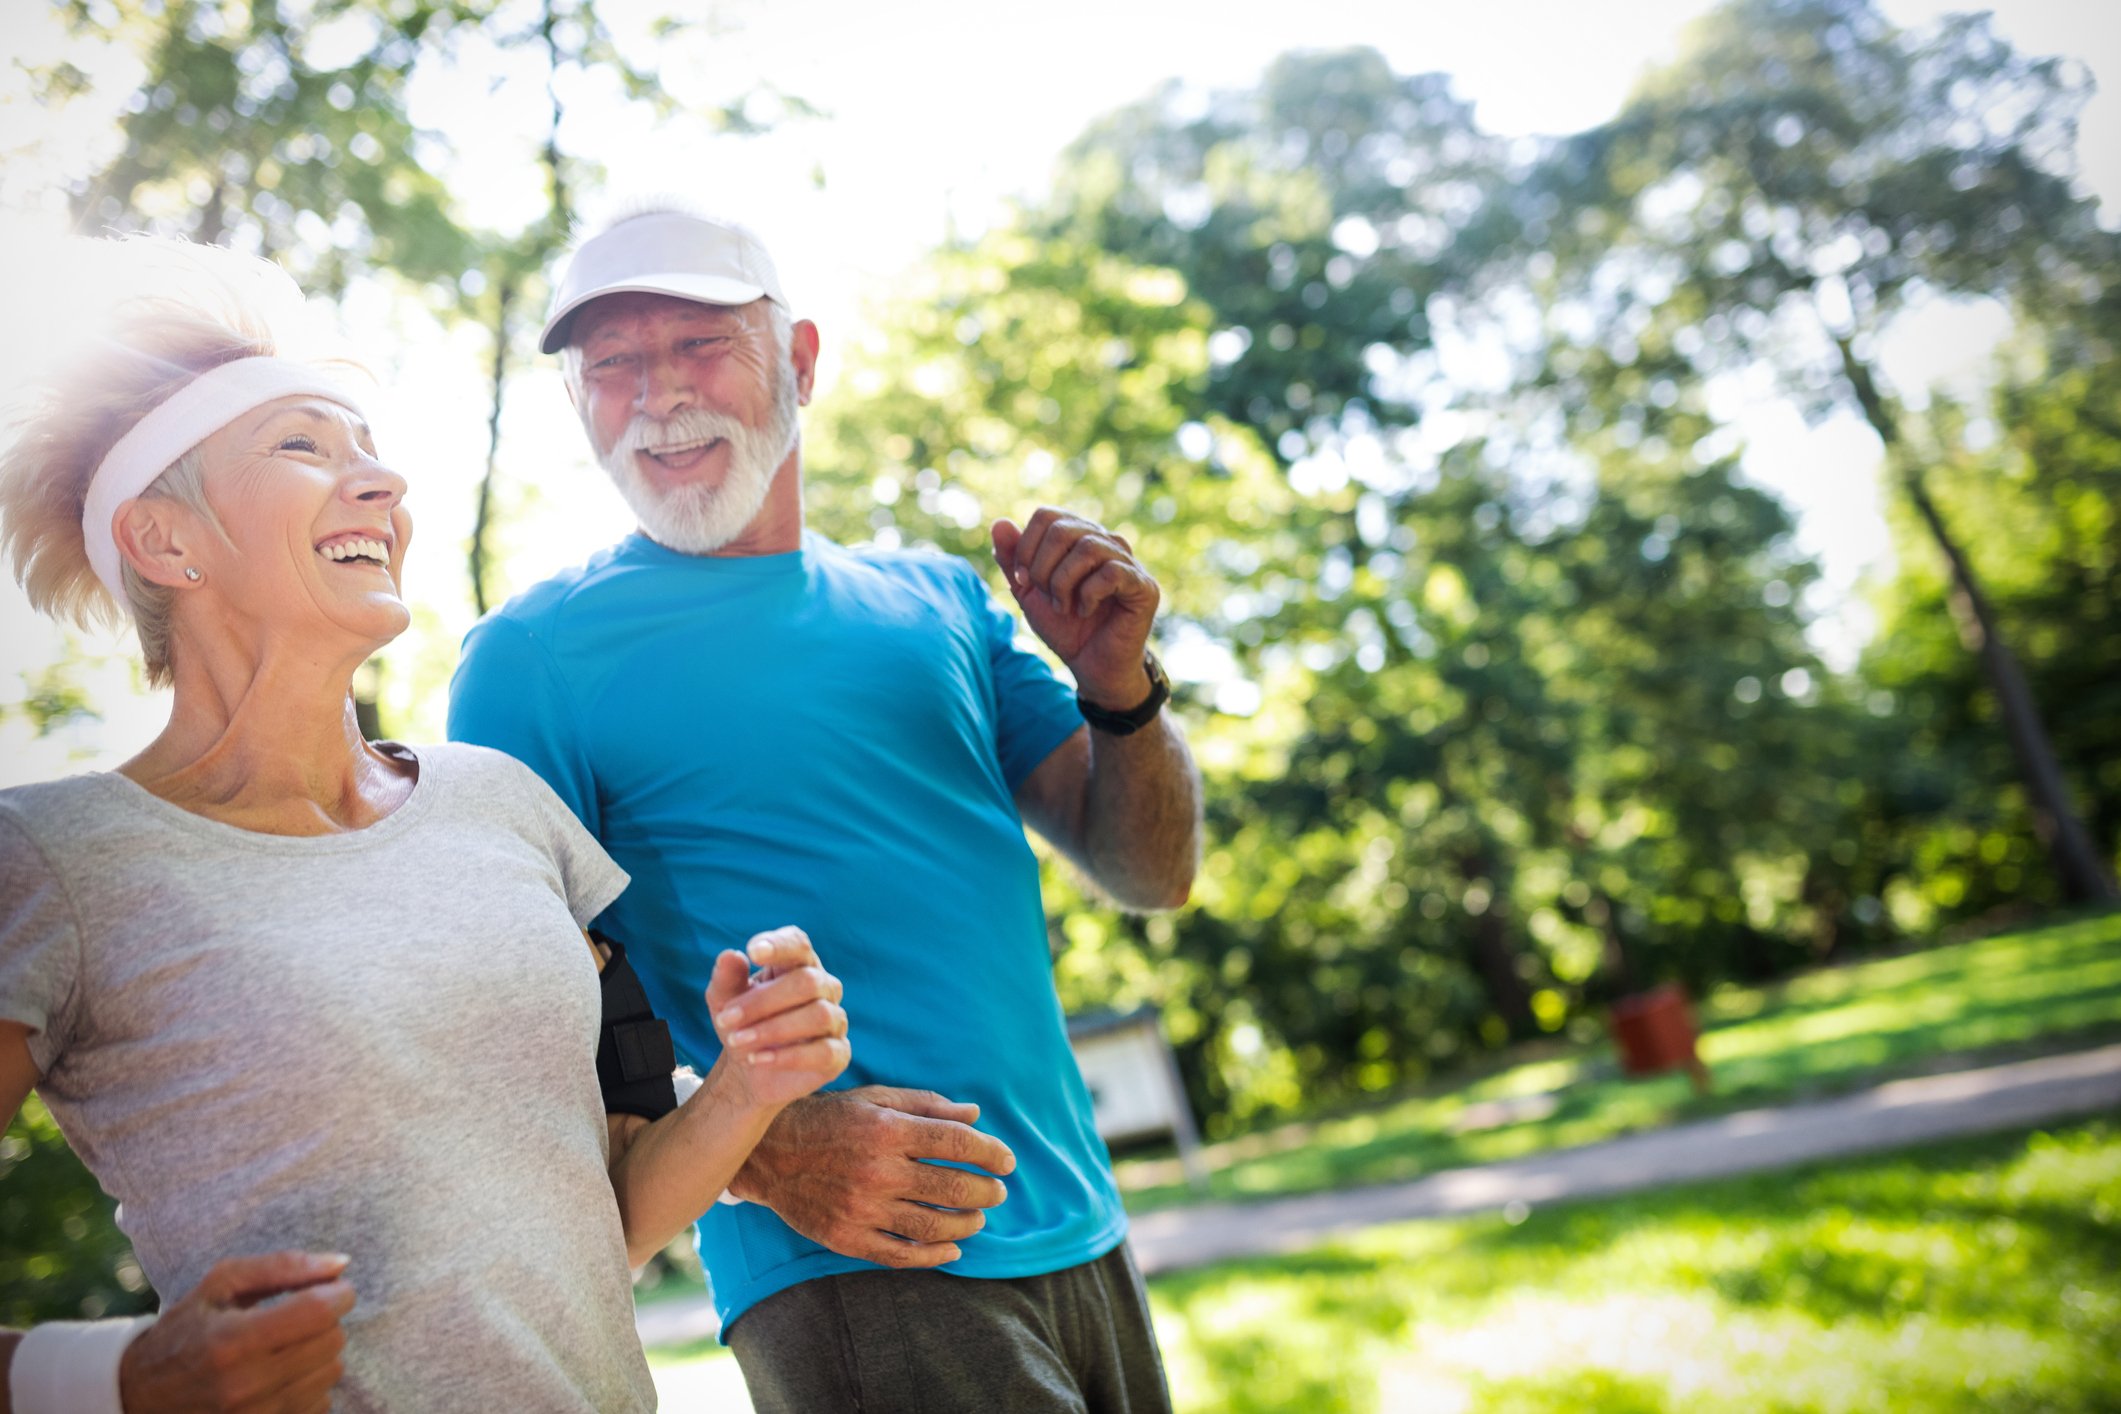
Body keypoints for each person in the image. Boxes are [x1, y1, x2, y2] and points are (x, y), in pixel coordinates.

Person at [0, 237, 851, 1413]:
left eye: (373, 455)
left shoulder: (502, 802)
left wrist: (751, 1080)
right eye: (302, 446)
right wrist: (116, 1377)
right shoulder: (54, 863)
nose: (384, 486)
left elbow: (604, 1215)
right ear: (165, 539)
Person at [447, 204, 1205, 1411]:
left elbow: (1149, 868)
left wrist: (1119, 690)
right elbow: (508, 1016)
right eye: (613, 367)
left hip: (1081, 1223)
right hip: (854, 1257)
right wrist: (767, 1148)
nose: (655, 396)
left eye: (697, 346)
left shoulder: (940, 601)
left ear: (798, 362)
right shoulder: (531, 658)